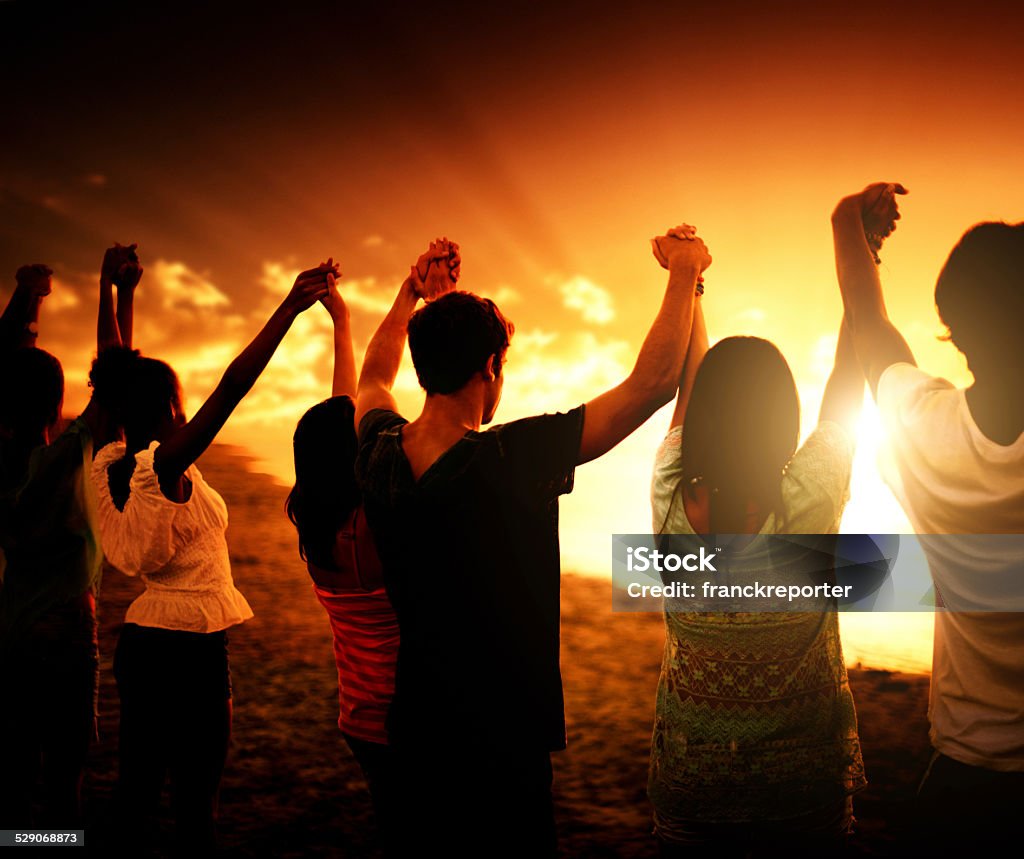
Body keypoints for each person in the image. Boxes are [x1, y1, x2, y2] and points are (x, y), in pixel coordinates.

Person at [355, 227, 710, 856]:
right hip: (501, 742)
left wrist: (413, 294)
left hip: (414, 731)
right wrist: (684, 268)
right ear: (491, 366)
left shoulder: (380, 452)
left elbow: (372, 378)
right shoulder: (508, 457)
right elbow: (652, 384)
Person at [89, 259, 334, 851]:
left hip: (144, 645)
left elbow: (114, 376)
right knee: (199, 810)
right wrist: (289, 308)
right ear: (169, 407)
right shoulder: (164, 468)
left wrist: (117, 291)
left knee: (135, 798)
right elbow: (234, 385)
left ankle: (32, 840)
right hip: (192, 652)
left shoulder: (107, 460)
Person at [646, 223, 867, 855]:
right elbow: (845, 385)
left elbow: (697, 390)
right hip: (802, 801)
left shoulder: (671, 493)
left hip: (694, 798)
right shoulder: (808, 501)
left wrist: (690, 282)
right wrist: (861, 264)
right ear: (782, 419)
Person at [832, 183, 1024, 849]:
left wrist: (848, 227)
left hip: (963, 778)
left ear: (956, 325)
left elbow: (869, 326)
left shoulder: (926, 434)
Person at [286, 245, 453, 855]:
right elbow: (452, 444)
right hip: (409, 720)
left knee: (395, 832)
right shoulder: (385, 528)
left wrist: (347, 322)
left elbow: (354, 401)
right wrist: (436, 309)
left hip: (358, 720)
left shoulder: (319, 524)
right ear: (355, 457)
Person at [0, 245, 139, 828]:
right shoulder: (67, 455)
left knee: (11, 780)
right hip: (65, 644)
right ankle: (50, 850)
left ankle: (17, 847)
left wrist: (27, 299)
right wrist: (114, 290)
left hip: (9, 637)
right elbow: (118, 379)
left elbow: (5, 366)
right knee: (64, 785)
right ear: (57, 402)